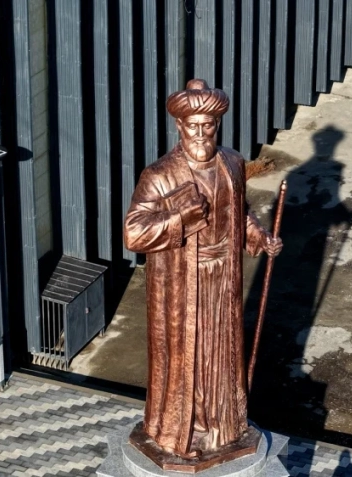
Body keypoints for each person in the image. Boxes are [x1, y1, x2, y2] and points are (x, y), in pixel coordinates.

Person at [123, 79, 282, 458]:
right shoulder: (160, 175)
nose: (199, 134)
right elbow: (134, 233)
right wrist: (179, 217)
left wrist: (260, 237)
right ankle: (183, 432)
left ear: (217, 125)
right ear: (180, 126)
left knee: (220, 356)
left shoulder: (232, 163)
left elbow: (238, 212)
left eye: (207, 125)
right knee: (187, 358)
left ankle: (220, 428)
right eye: (192, 126)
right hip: (181, 288)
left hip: (222, 281)